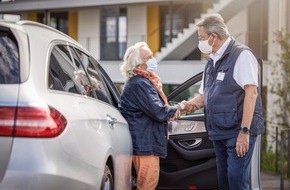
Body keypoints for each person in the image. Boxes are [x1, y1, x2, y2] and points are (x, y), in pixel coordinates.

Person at [183, 13, 264, 190]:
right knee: (224, 182)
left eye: (201, 37)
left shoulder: (241, 55)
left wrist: (244, 132)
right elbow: (205, 95)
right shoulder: (211, 60)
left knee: (236, 182)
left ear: (213, 37)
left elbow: (252, 93)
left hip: (237, 132)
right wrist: (185, 106)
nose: (200, 41)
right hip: (219, 132)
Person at [118, 41, 181, 190]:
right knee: (147, 186)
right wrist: (180, 108)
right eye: (149, 57)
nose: (154, 59)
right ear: (138, 65)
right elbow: (159, 112)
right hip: (144, 146)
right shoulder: (140, 84)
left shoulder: (140, 82)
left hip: (144, 143)